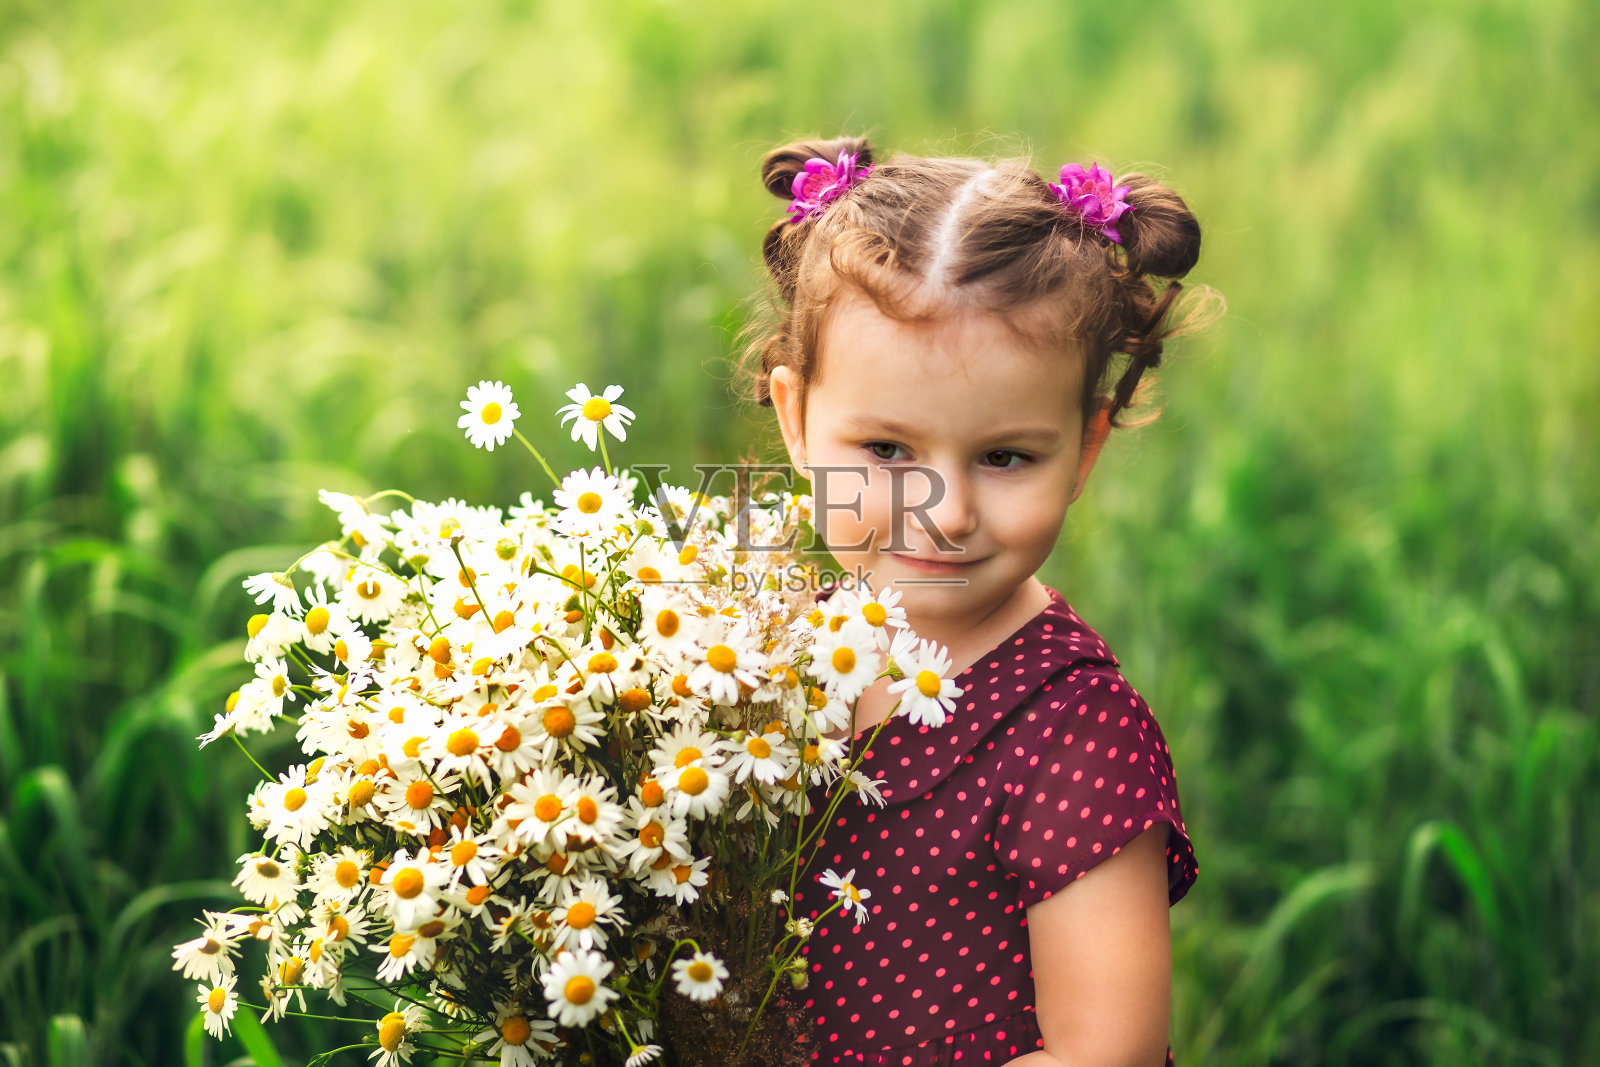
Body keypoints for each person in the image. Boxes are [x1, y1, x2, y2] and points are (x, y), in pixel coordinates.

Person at [741, 135, 1213, 1066]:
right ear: (796, 420)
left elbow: (1103, 1052)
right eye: (885, 451)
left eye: (1004, 457)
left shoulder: (1071, 732)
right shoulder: (755, 654)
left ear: (1083, 450)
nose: (944, 511)